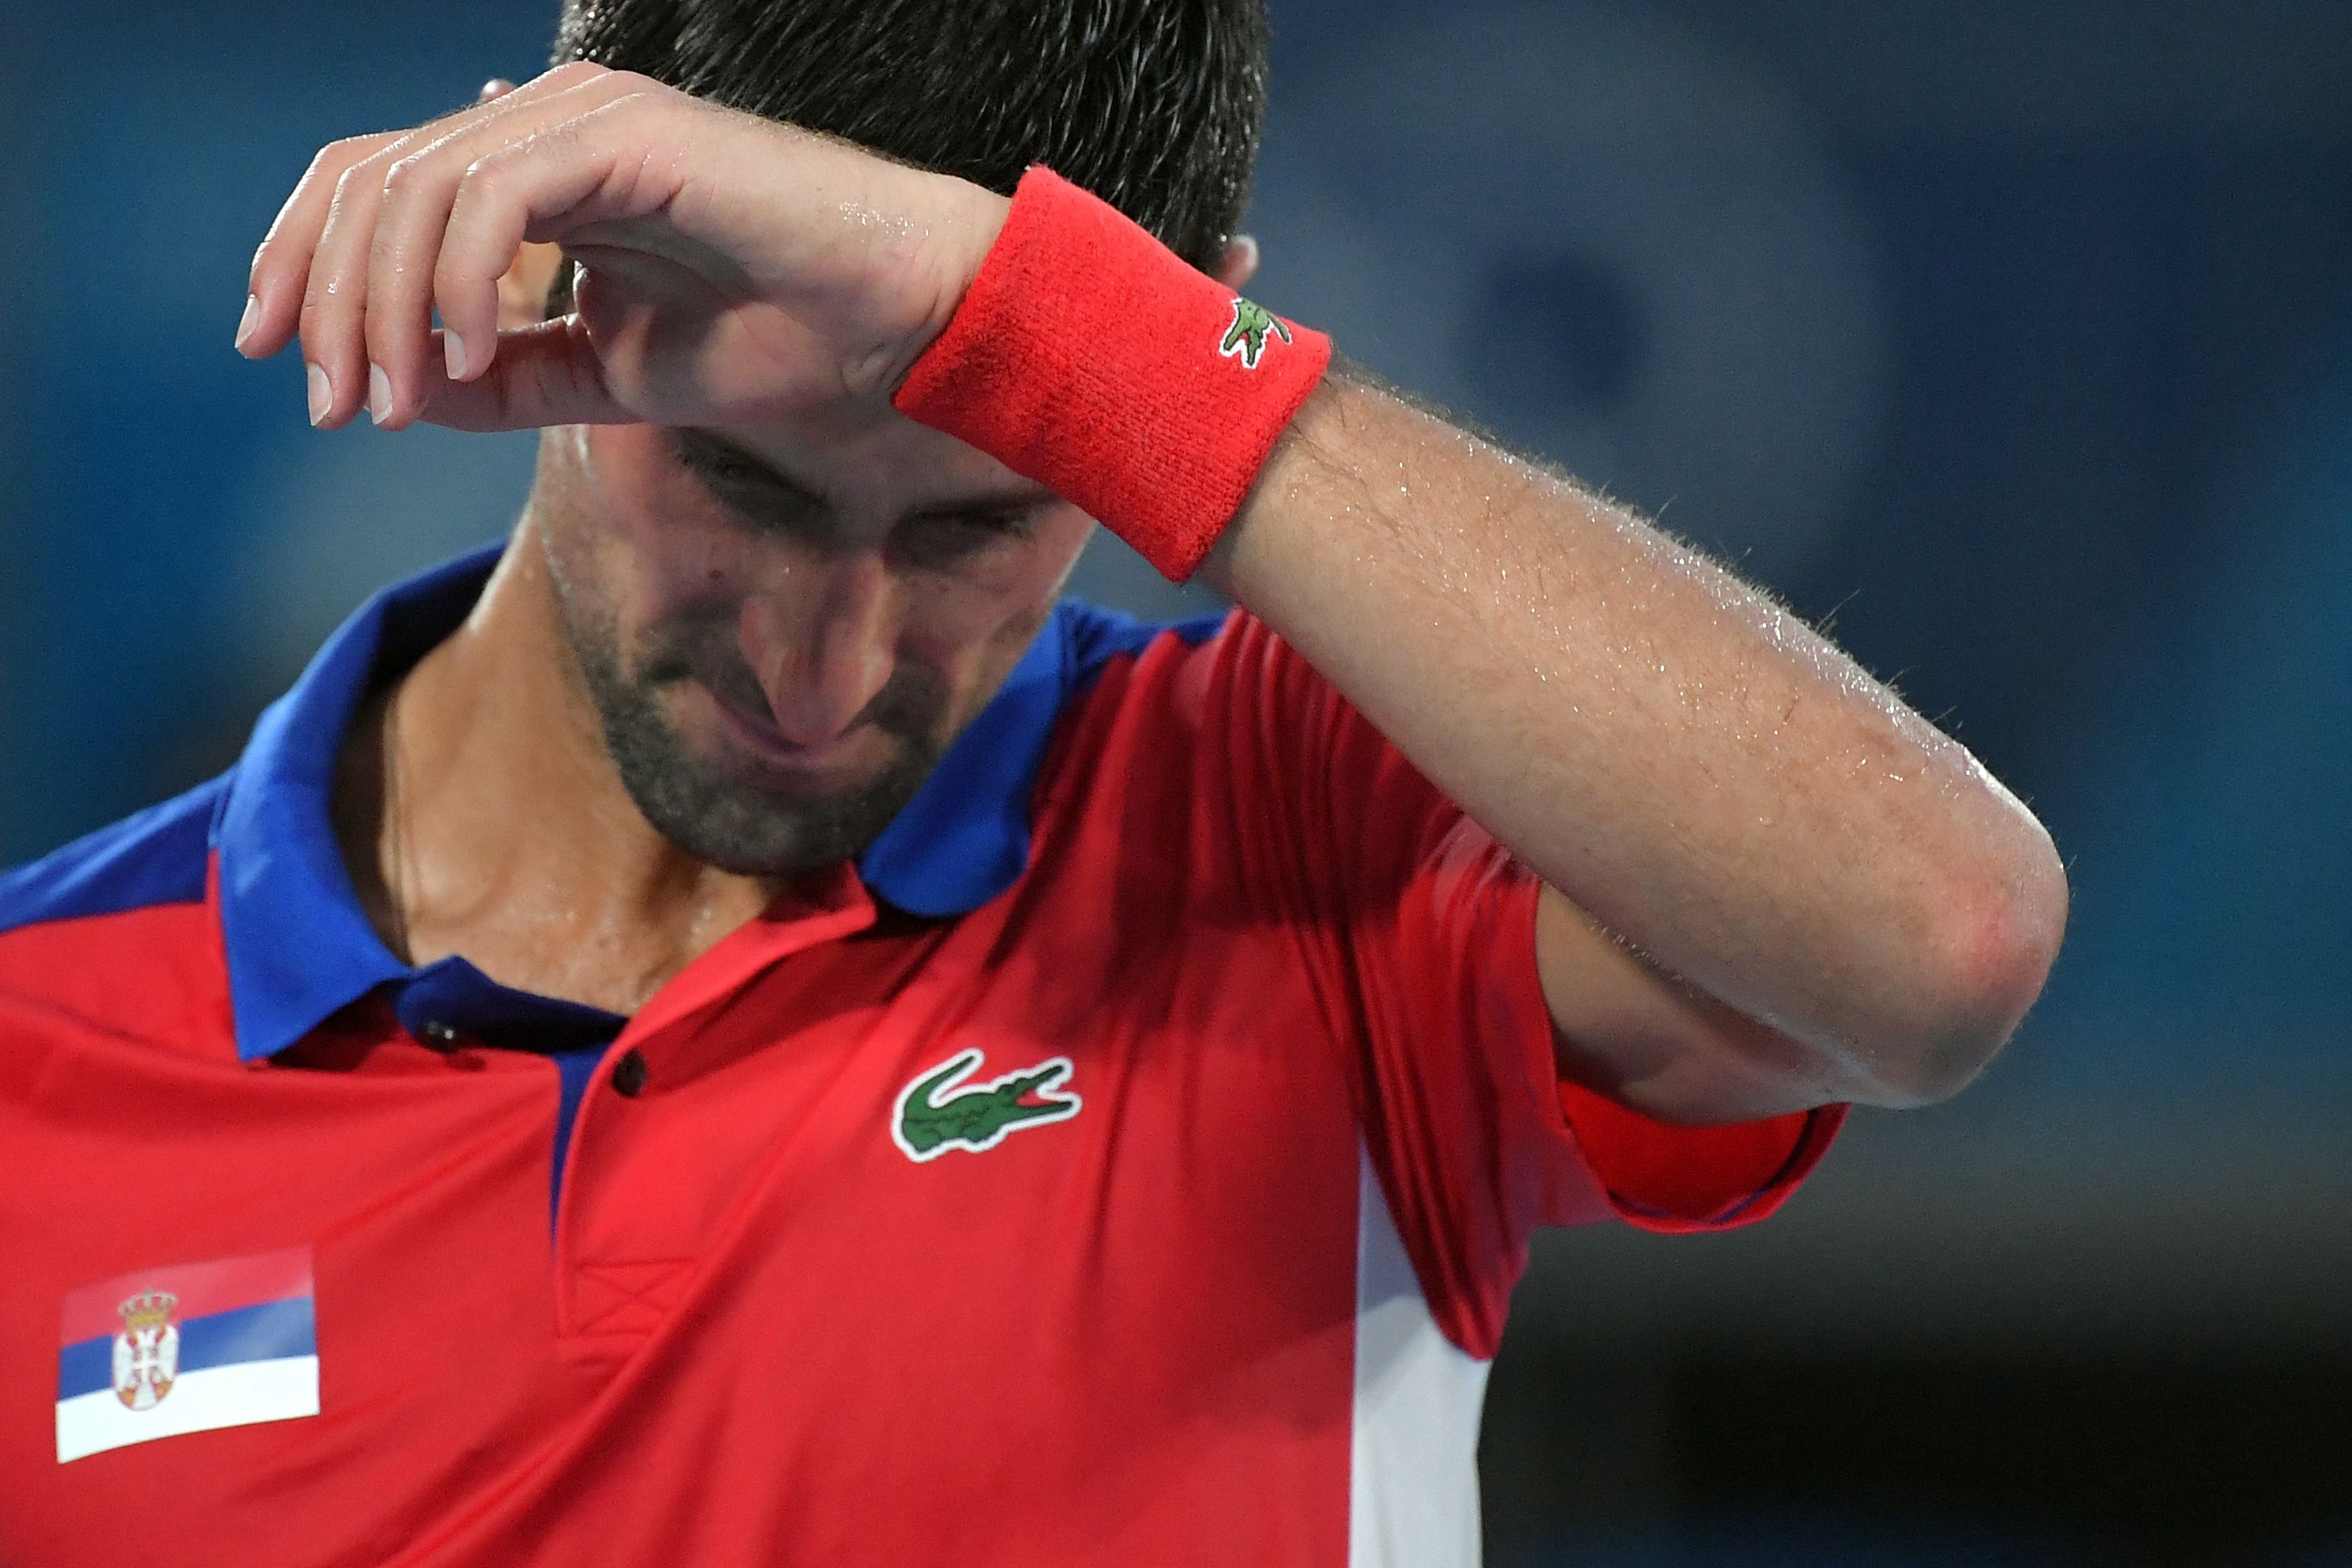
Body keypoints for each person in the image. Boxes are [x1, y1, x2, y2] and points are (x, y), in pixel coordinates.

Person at [0, 2, 2067, 1563]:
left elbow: (1931, 933)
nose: (824, 668)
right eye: (740, 483)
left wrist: (1072, 337)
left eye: (979, 523)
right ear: (553, 254)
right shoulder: (33, 1051)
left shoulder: (1297, 842)